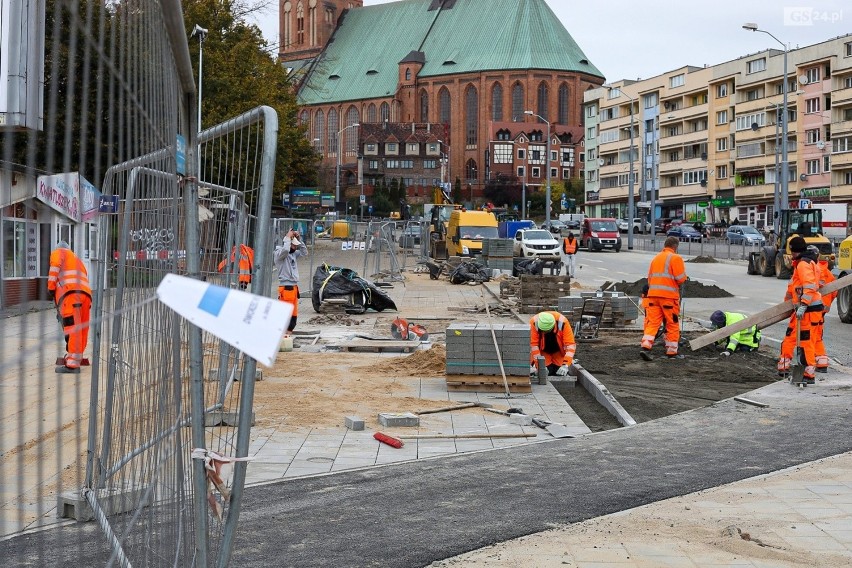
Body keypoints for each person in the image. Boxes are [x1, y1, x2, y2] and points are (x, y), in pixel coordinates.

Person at [776, 237, 823, 384]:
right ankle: (807, 371)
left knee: (806, 342)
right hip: (812, 308)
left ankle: (808, 374)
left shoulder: (803, 264)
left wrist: (803, 304)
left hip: (808, 309)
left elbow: (809, 286)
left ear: (794, 251)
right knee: (807, 341)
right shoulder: (808, 262)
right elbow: (796, 287)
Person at [640, 236, 688, 361]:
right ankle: (672, 352)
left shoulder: (656, 258)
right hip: (668, 299)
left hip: (653, 297)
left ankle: (645, 346)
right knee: (672, 323)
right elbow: (681, 278)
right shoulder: (675, 258)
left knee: (653, 322)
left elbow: (650, 279)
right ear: (675, 246)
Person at [47, 242, 92, 374]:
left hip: (71, 296)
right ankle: (77, 356)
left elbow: (54, 268)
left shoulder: (59, 252)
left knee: (72, 327)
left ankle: (72, 364)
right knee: (82, 327)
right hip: (86, 295)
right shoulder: (77, 260)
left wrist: (50, 288)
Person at [274, 228, 308, 335]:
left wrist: (299, 239)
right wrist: (288, 238)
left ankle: (287, 336)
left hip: (293, 288)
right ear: (288, 244)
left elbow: (304, 252)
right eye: (294, 245)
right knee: (286, 317)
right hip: (286, 288)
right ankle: (283, 337)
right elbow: (285, 251)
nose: (295, 247)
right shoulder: (280, 254)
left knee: (293, 317)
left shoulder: (293, 254)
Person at [529, 311, 576, 377]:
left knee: (559, 371)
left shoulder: (563, 322)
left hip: (559, 351)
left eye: (546, 331)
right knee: (547, 371)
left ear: (553, 326)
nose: (544, 333)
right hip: (543, 351)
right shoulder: (534, 322)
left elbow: (570, 345)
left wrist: (565, 364)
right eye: (542, 331)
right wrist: (539, 365)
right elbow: (534, 346)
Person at [812, 246, 836, 373]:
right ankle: (821, 362)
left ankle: (812, 363)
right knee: (818, 336)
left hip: (813, 308)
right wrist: (827, 305)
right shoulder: (829, 273)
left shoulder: (814, 269)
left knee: (810, 336)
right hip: (822, 309)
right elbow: (834, 292)